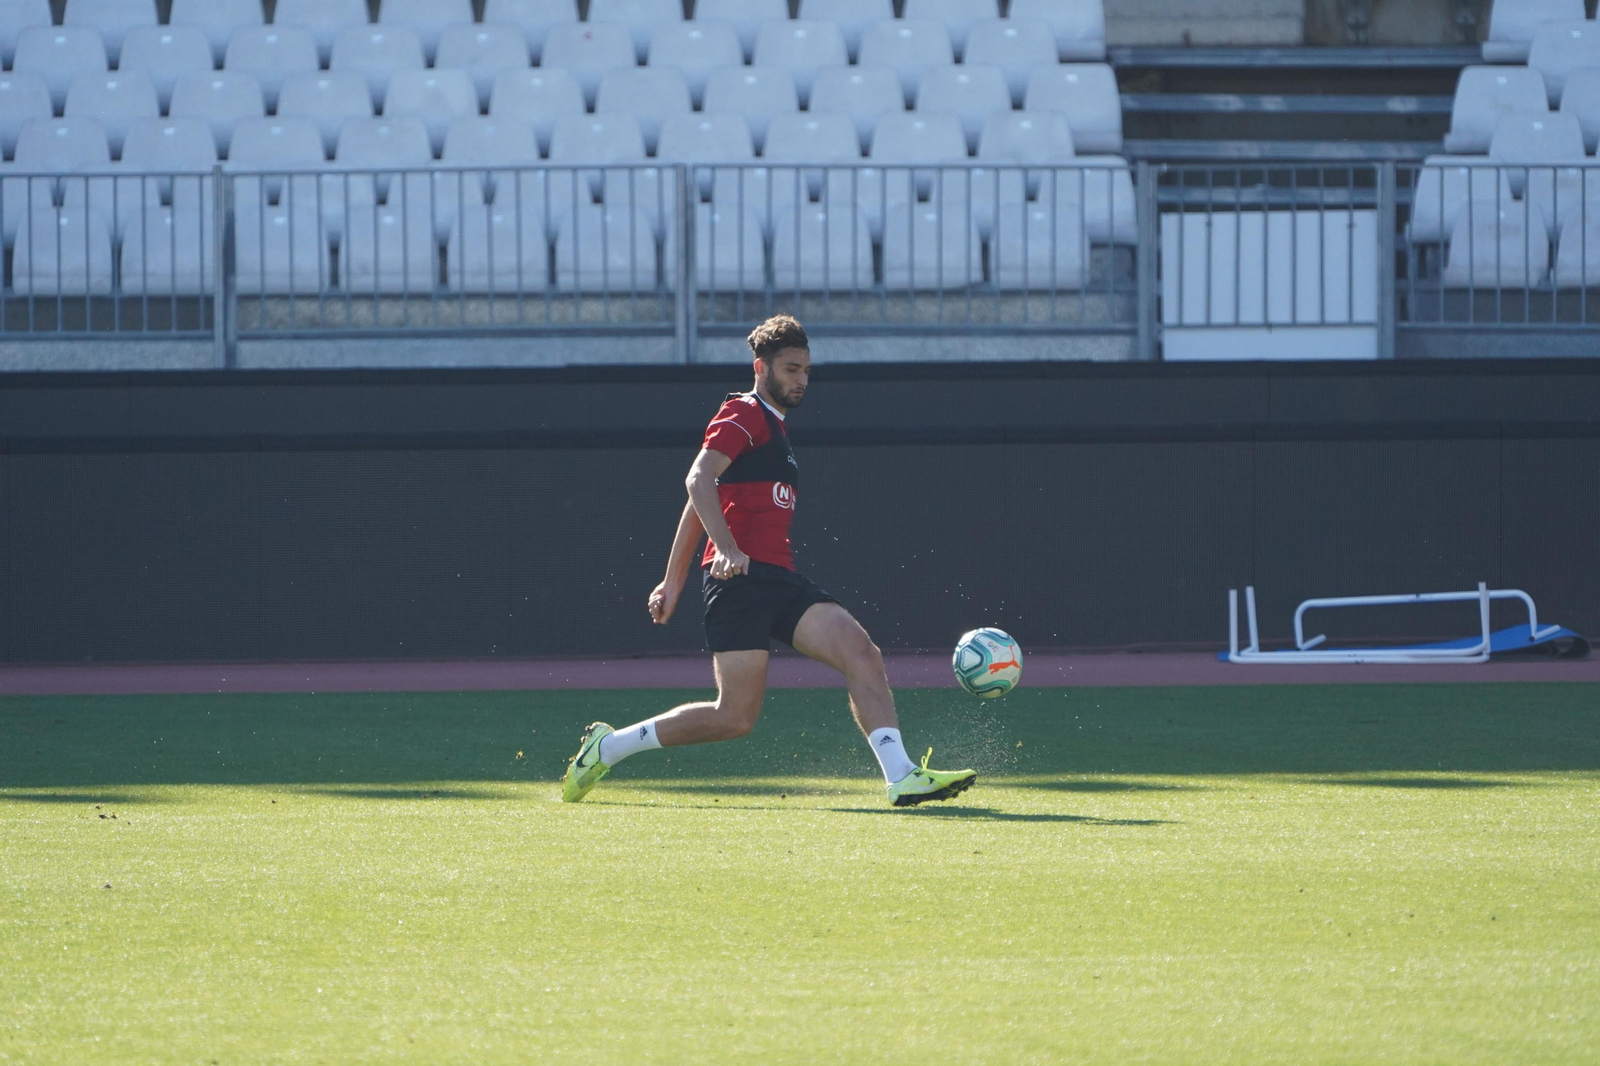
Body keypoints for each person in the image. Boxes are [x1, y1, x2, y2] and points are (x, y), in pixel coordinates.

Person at [562, 315, 976, 808]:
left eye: (806, 370)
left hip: (777, 578)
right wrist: (721, 555)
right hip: (736, 582)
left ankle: (901, 775)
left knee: (861, 652)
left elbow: (705, 499)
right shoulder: (744, 412)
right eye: (790, 369)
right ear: (761, 368)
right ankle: (608, 748)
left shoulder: (773, 429)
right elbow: (698, 482)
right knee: (734, 718)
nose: (801, 379)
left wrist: (672, 579)